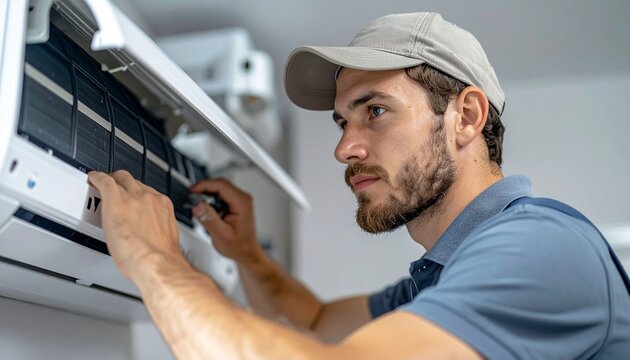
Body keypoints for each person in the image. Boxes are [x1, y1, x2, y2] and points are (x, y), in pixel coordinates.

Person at [88, 12, 630, 359]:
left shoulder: (540, 247)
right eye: (343, 121)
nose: (345, 148)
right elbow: (320, 323)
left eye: (376, 111)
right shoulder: (445, 275)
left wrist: (154, 258)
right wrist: (249, 256)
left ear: (465, 117)